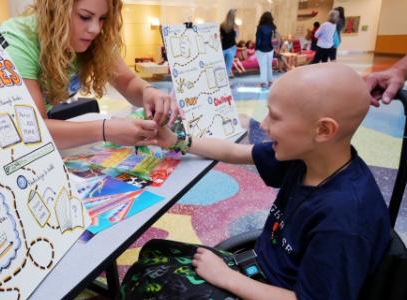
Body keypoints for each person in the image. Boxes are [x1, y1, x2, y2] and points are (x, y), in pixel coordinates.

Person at [119, 63, 390, 300]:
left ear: (323, 130)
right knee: (153, 254)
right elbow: (235, 152)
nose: (263, 125)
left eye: (275, 116)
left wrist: (226, 277)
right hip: (257, 270)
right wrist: (176, 141)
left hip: (267, 287)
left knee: (147, 285)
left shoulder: (345, 219)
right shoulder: (306, 157)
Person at [0, 0, 177, 149]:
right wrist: (106, 130)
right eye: (85, 17)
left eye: (102, 18)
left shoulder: (97, 40)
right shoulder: (19, 41)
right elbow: (33, 129)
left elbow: (127, 82)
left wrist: (148, 91)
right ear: (56, 10)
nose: (95, 29)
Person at [255, 12, 279, 87]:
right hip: (270, 48)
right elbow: (275, 38)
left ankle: (263, 83)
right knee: (269, 66)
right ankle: (270, 81)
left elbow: (258, 39)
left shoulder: (260, 27)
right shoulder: (273, 27)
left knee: (263, 66)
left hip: (261, 49)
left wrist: (256, 48)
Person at [220, 9, 239, 78]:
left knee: (221, 66)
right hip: (232, 47)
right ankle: (226, 83)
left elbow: (220, 37)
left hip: (223, 47)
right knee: (228, 67)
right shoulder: (235, 26)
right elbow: (237, 37)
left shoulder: (222, 25)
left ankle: (220, 82)